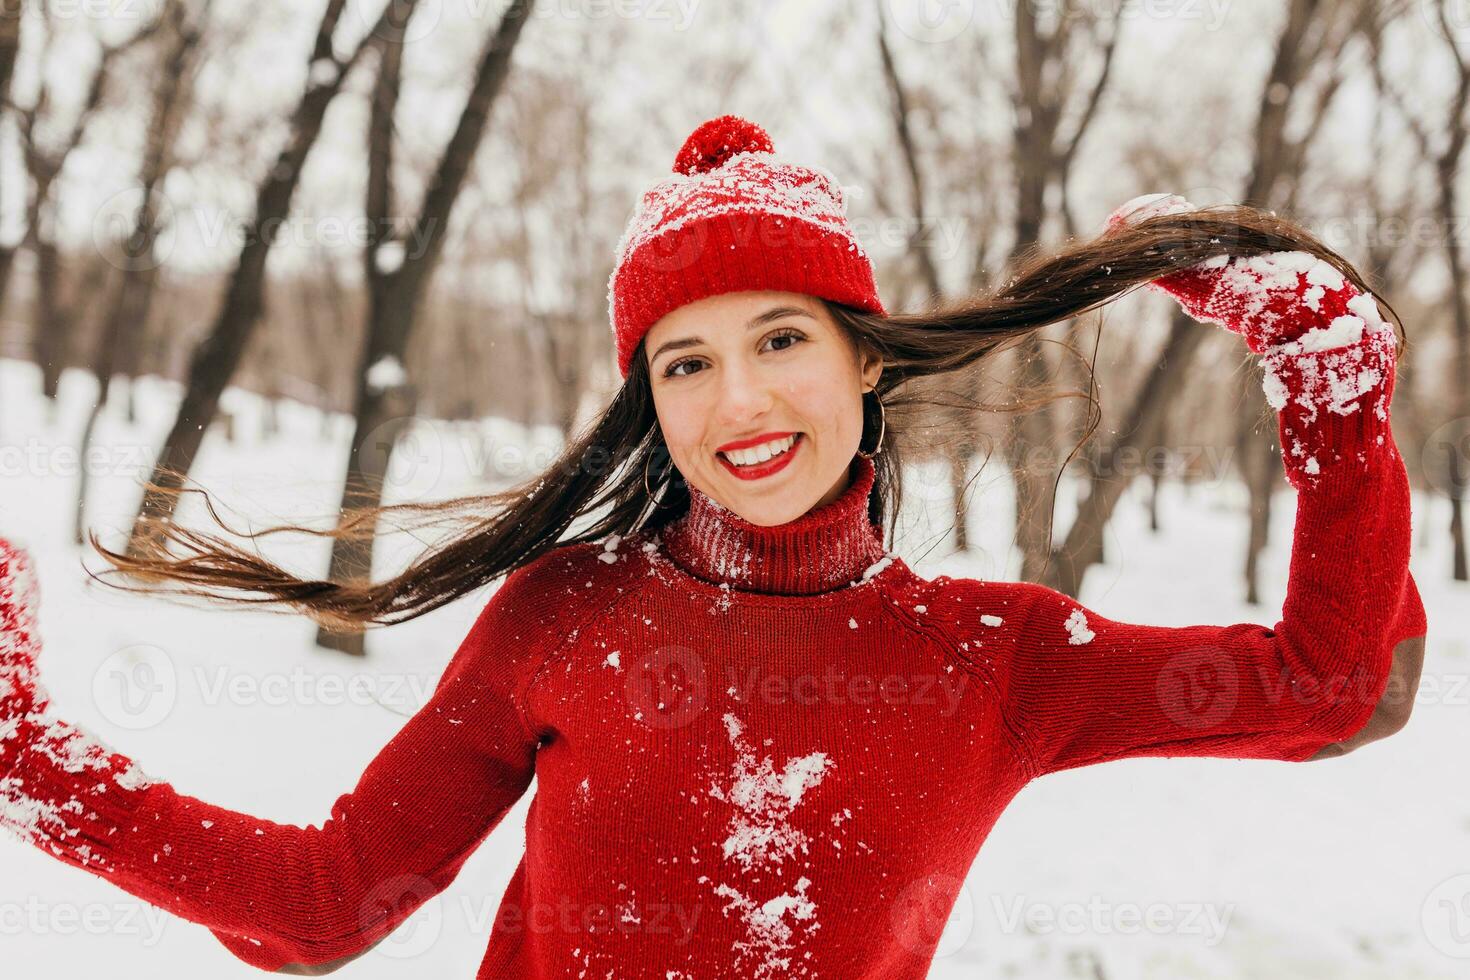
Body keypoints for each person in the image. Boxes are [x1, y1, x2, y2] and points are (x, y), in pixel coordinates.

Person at [0, 114, 1428, 978]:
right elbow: (323, 906)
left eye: (781, 339)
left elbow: (1323, 682)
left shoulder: (996, 657)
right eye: (681, 363)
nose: (736, 399)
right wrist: (22, 753)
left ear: (863, 359)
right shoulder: (564, 616)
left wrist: (1330, 391)